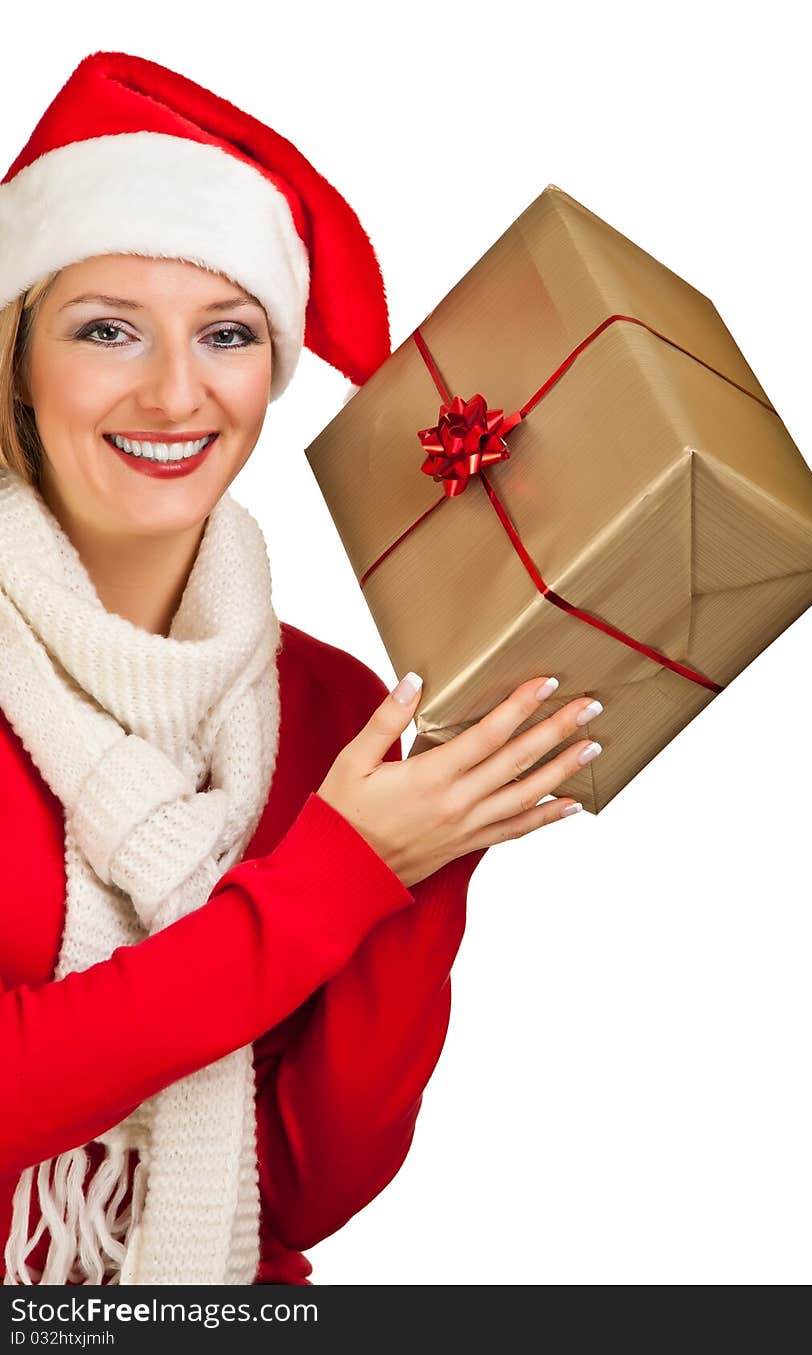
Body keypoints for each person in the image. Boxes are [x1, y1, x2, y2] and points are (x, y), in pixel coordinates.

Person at [0, 52, 604, 1287]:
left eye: (226, 334)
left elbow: (309, 1185)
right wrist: (337, 874)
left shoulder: (328, 705)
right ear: (15, 355)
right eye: (107, 329)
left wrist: (425, 856)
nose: (176, 391)